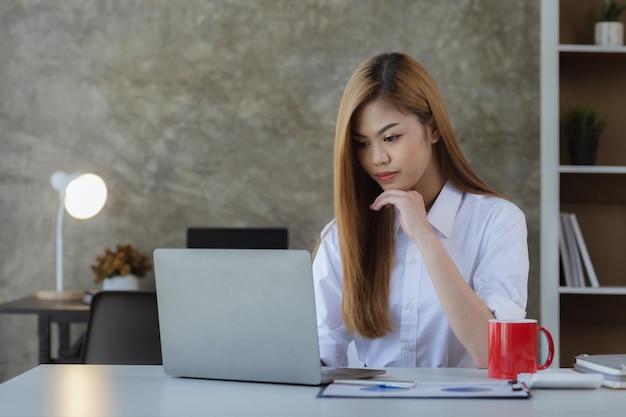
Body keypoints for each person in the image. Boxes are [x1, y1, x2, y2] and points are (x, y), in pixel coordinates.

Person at [312, 52, 528, 369]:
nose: (377, 158)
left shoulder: (498, 222)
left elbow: (491, 352)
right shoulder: (341, 236)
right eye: (362, 144)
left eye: (390, 137)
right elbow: (320, 356)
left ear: (434, 129)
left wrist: (425, 236)